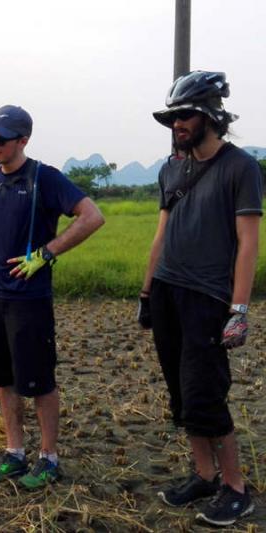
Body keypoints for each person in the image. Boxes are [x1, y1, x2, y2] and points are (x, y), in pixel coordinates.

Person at [139, 70, 261, 527]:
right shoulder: (172, 167)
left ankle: (235, 488)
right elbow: (162, 233)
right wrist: (147, 290)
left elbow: (248, 243)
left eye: (185, 115)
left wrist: (240, 309)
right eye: (173, 118)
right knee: (181, 393)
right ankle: (205, 475)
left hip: (209, 297)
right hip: (169, 291)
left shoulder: (241, 167)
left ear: (210, 114)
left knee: (206, 392)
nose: (178, 125)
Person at [0, 105, 104, 490]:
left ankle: (48, 458)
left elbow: (92, 216)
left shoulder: (45, 178)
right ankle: (14, 453)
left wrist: (46, 253)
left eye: (0, 138)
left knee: (39, 381)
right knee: (3, 379)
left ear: (23, 140)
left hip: (30, 299)